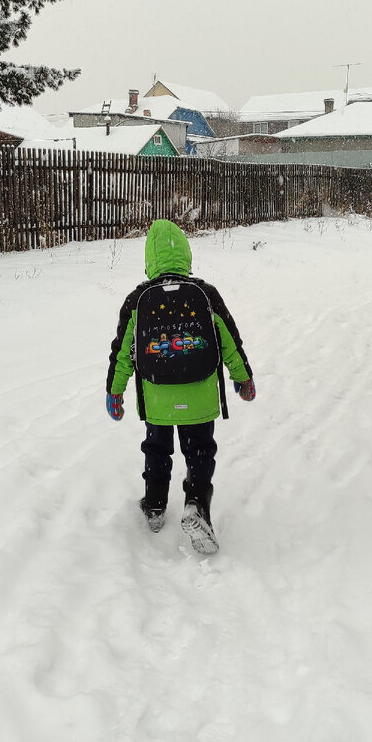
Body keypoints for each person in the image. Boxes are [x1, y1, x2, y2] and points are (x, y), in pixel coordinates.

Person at [105, 219, 256, 554]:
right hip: (199, 393)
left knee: (157, 449)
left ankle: (155, 506)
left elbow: (122, 352)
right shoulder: (205, 293)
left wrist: (115, 392)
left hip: (157, 397)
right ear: (187, 255)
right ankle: (196, 504)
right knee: (200, 449)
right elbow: (229, 340)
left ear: (149, 260)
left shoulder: (138, 299)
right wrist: (243, 378)